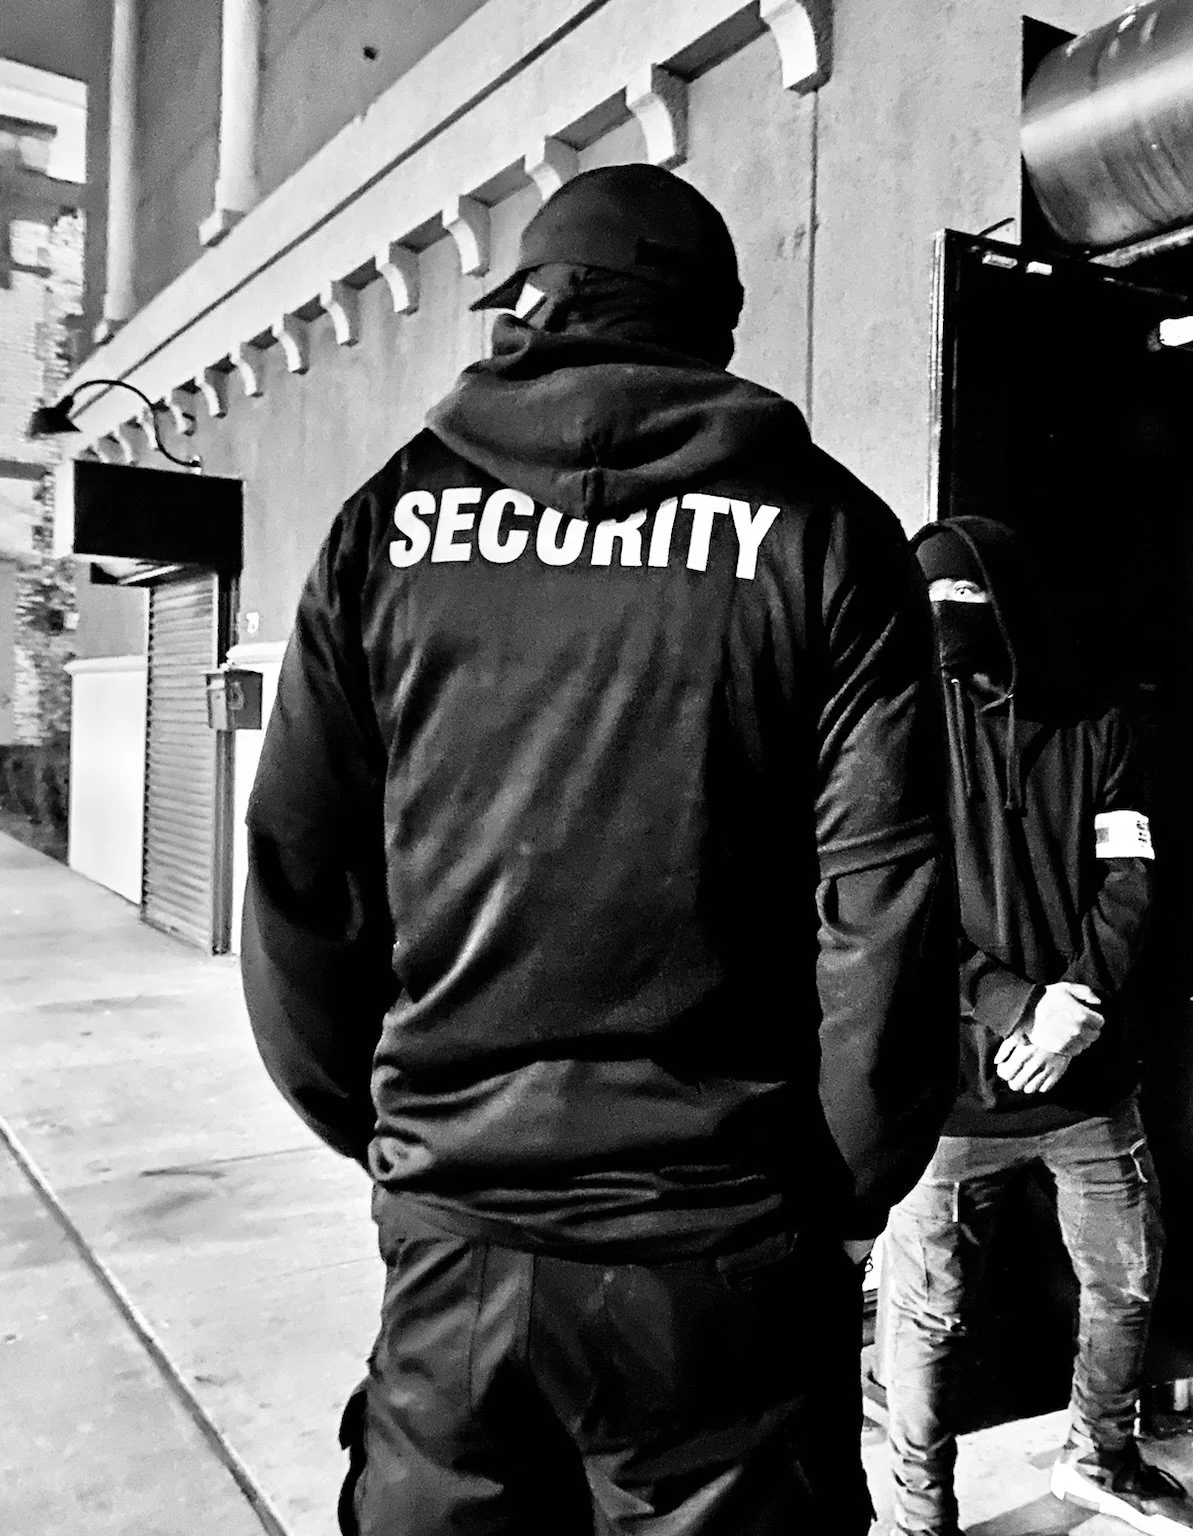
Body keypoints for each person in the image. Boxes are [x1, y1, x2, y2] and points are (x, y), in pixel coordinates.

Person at [241, 164, 957, 1535]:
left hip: (458, 1240)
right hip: (723, 1252)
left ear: (542, 305)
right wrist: (846, 1187)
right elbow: (886, 905)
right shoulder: (826, 535)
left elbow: (298, 876)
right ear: (711, 325)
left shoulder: (390, 524)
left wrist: (397, 1137)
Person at [878, 517, 1193, 1536]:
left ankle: (1099, 1455)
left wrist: (1074, 1008)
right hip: (948, 1092)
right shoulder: (899, 730)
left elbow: (1130, 877)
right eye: (930, 603)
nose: (946, 624)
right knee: (926, 1317)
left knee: (1126, 1281)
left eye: (964, 600)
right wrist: (1018, 1006)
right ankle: (917, 1516)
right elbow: (893, 906)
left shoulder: (1095, 723)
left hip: (1088, 1078)